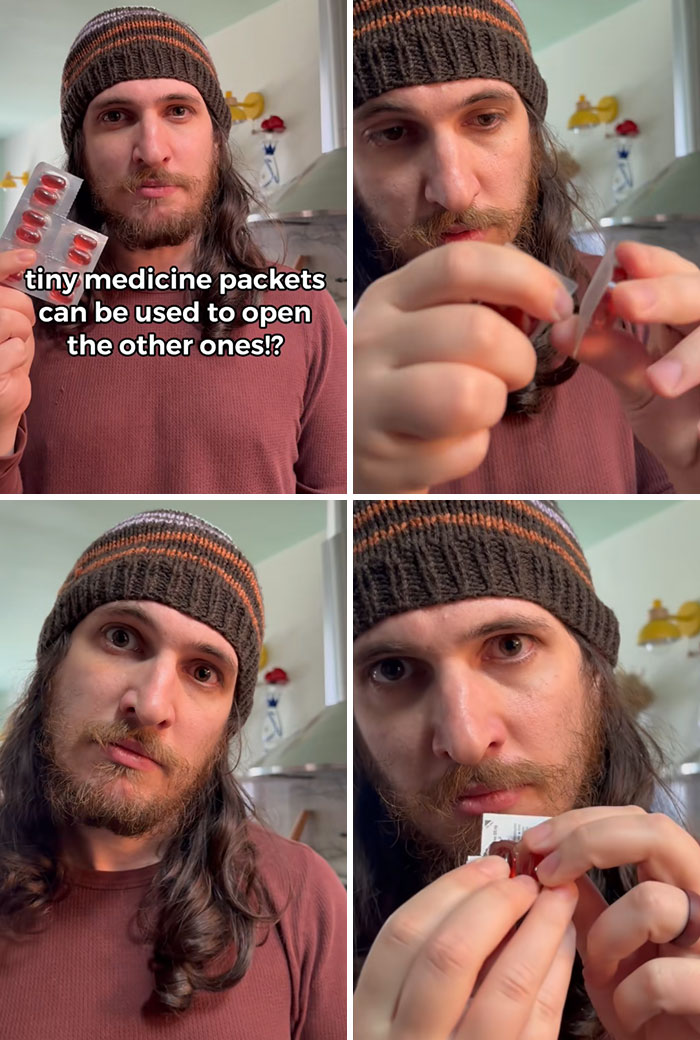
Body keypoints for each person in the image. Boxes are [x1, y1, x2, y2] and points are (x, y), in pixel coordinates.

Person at [353, 499, 700, 1038]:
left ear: (594, 677)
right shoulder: (313, 949)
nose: (465, 740)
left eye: (510, 646)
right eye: (392, 669)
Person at [0, 509, 346, 1038]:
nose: (152, 704)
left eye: (204, 673)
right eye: (121, 638)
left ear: (227, 726)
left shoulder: (303, 898)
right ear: (53, 662)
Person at [353, 0, 700, 494]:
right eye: (391, 132)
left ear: (534, 139)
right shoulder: (318, 330)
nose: (453, 190)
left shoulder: (636, 314)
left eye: (486, 119)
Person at [0, 7, 346, 494]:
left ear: (217, 142)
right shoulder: (17, 325)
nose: (152, 149)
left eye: (178, 111)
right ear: (80, 152)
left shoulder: (308, 314)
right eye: (116, 117)